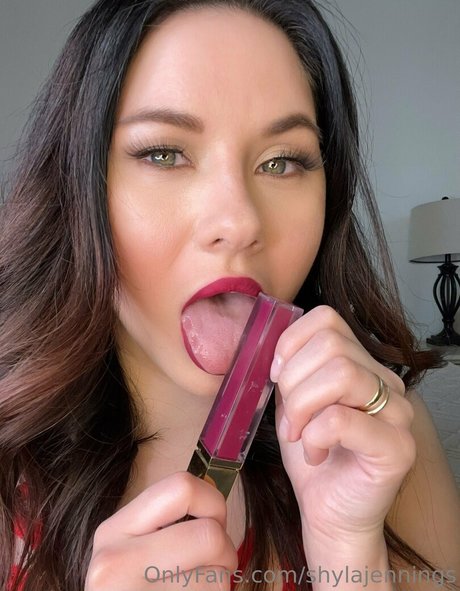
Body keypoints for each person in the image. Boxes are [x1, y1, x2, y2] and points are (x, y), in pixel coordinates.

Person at [1, 1, 459, 590]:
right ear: (78, 186)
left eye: (282, 161)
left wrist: (351, 556)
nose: (239, 221)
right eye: (164, 154)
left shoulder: (380, 436)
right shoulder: (11, 467)